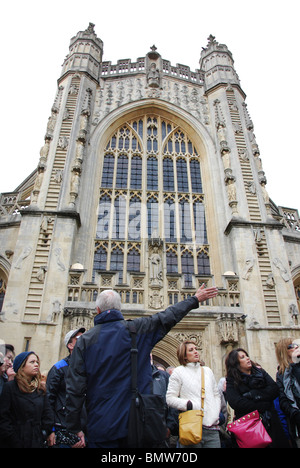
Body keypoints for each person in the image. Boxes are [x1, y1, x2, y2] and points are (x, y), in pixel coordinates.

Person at [65, 284, 218, 448]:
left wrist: (74, 427)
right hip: (138, 425)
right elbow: (167, 317)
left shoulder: (84, 342)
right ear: (119, 308)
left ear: (97, 310)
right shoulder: (137, 329)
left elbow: (75, 389)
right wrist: (195, 299)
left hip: (101, 425)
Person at [225, 348, 289, 448]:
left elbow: (274, 389)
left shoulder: (260, 372)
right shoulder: (232, 380)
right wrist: (261, 405)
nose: (247, 358)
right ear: (236, 363)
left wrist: (253, 395)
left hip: (271, 421)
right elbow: (236, 403)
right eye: (242, 357)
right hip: (251, 426)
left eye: (247, 356)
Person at [166, 340, 221, 448]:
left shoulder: (207, 371)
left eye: (196, 349)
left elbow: (216, 394)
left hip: (212, 428)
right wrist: (189, 405)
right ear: (184, 355)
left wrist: (215, 411)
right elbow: (170, 398)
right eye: (191, 350)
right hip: (191, 426)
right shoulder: (179, 372)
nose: (196, 352)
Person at [0, 351, 55, 448]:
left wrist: (48, 431)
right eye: (32, 362)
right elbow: (4, 417)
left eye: (37, 362)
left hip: (36, 440)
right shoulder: (10, 388)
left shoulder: (40, 389)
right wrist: (13, 439)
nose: (36, 365)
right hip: (15, 440)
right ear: (22, 366)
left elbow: (47, 413)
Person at [46, 328, 86, 448]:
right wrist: (50, 429)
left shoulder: (89, 367)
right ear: (70, 345)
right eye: (79, 339)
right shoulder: (58, 368)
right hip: (62, 426)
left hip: (85, 428)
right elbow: (49, 399)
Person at [276, 338, 300, 448]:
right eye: (291, 346)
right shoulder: (281, 374)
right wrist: (295, 414)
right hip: (297, 422)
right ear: (285, 351)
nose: (296, 347)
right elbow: (283, 399)